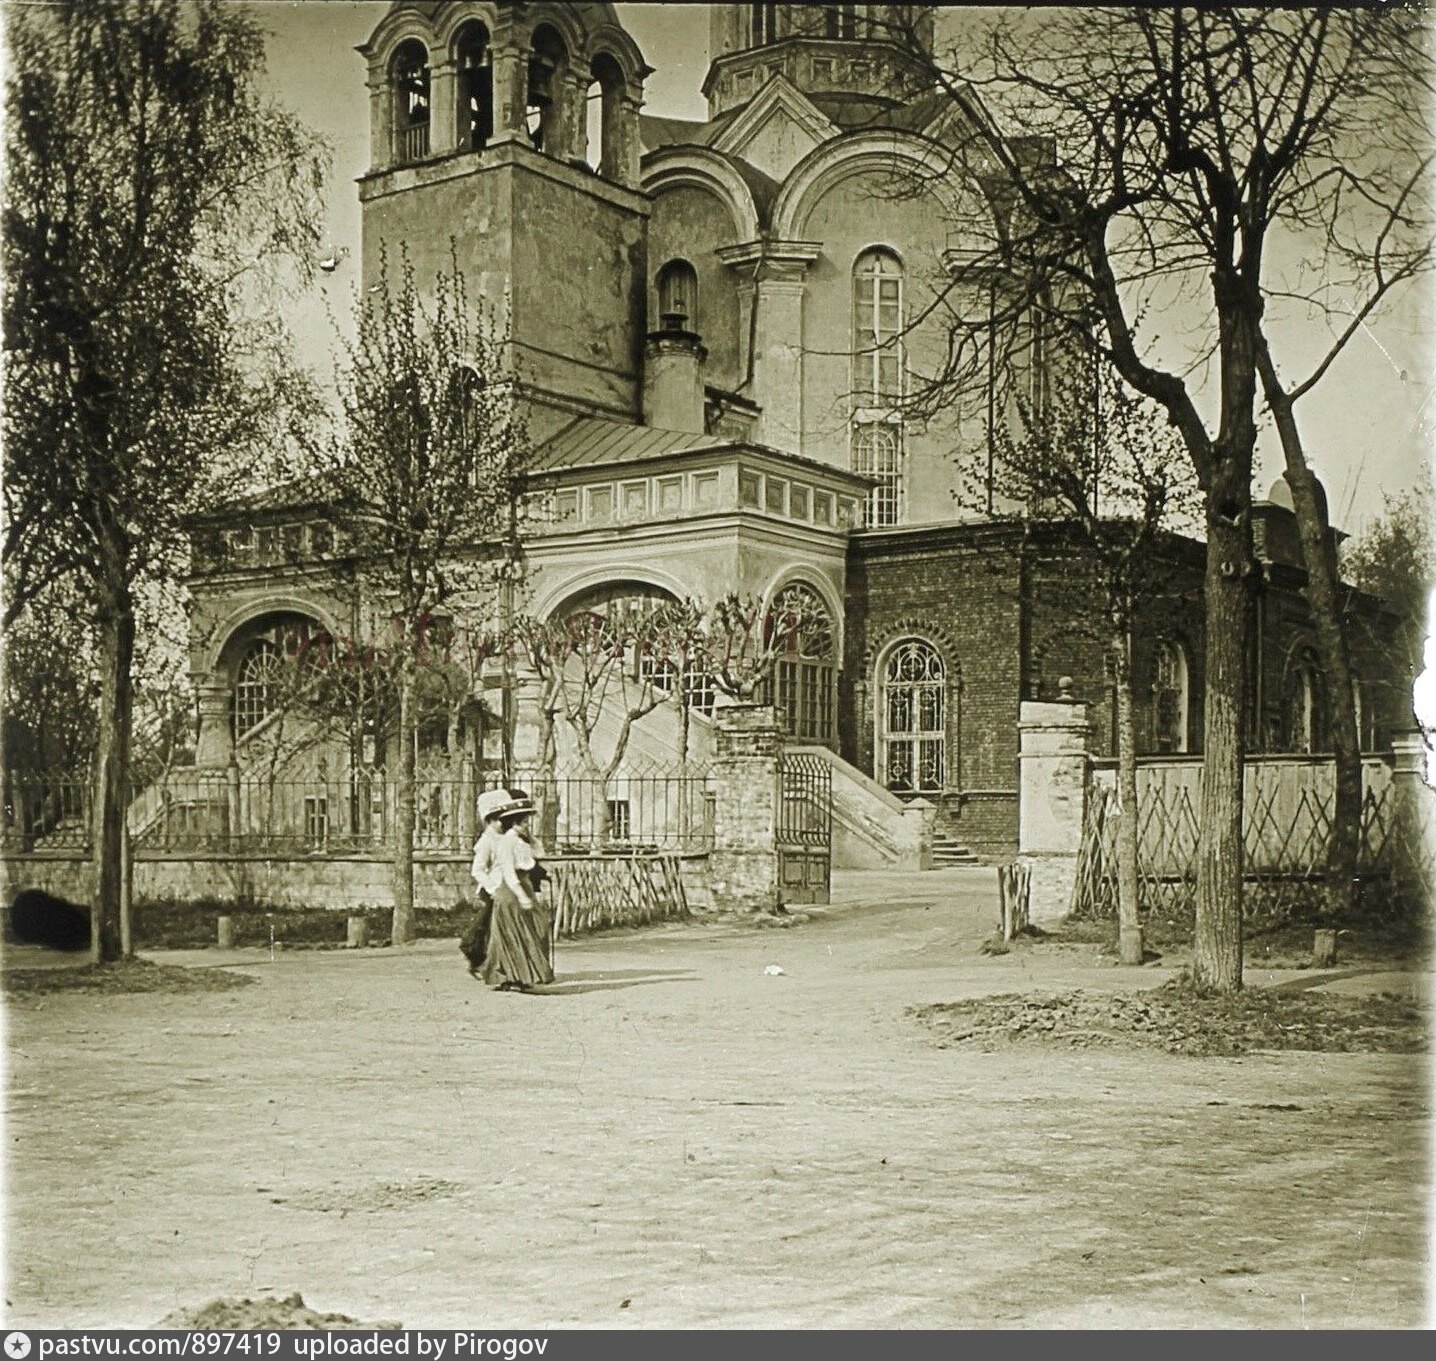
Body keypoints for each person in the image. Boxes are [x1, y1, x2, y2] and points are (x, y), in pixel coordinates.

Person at [478, 792, 554, 992]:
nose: (528, 825)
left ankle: (519, 976)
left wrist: (531, 839)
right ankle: (512, 977)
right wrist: (521, 896)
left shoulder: (522, 840)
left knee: (535, 929)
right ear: (513, 822)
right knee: (516, 934)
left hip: (525, 885)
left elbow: (538, 854)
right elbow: (509, 872)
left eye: (527, 821)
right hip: (511, 891)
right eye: (524, 822)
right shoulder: (506, 842)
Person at [460, 788, 511, 975]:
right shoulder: (486, 841)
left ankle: (501, 964)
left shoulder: (506, 837)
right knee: (487, 927)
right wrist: (492, 888)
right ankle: (478, 960)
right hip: (491, 889)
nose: (502, 823)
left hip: (506, 887)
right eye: (498, 819)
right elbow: (477, 870)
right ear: (489, 820)